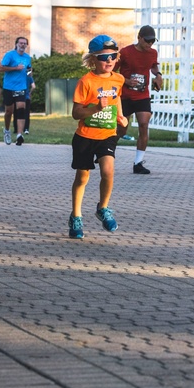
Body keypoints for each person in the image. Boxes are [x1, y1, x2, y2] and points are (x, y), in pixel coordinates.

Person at [68, 35, 128, 239]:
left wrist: (120, 116)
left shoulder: (118, 79)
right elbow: (76, 113)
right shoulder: (86, 82)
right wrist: (95, 108)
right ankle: (76, 216)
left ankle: (103, 207)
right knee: (82, 177)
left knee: (108, 170)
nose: (109, 61)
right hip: (85, 136)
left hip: (107, 134)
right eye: (104, 57)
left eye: (113, 56)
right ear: (93, 59)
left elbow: (116, 96)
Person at [115, 25, 164, 174]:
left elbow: (153, 66)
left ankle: (138, 163)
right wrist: (126, 81)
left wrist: (158, 75)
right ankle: (105, 151)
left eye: (152, 41)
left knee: (144, 125)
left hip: (142, 95)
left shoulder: (152, 53)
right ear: (139, 38)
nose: (150, 44)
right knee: (121, 129)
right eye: (147, 41)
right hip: (125, 96)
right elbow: (112, 70)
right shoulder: (125, 52)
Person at [0, 36, 32, 146]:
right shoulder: (10, 55)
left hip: (21, 87)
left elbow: (28, 69)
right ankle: (7, 131)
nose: (23, 45)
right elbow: (1, 68)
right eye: (21, 43)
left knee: (21, 109)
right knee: (9, 111)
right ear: (16, 44)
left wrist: (29, 72)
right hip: (9, 87)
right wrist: (15, 68)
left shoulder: (28, 57)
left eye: (25, 43)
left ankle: (19, 135)